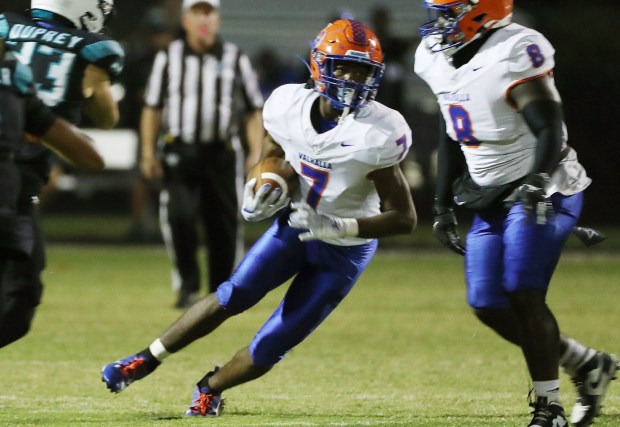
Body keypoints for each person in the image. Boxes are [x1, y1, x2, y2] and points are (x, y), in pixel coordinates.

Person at [102, 18, 416, 417]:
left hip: (345, 251)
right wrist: (261, 184)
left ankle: (210, 387)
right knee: (232, 294)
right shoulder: (286, 105)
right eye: (344, 67)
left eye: (362, 70)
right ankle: (143, 359)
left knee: (275, 341)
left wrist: (341, 226)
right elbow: (272, 152)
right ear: (320, 66)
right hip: (296, 227)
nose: (353, 79)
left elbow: (404, 218)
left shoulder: (379, 132)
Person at [413, 1, 618, 426]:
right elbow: (453, 128)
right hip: (489, 195)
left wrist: (537, 179)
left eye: (449, 13)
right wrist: (440, 204)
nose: (439, 23)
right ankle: (587, 364)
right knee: (487, 302)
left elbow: (548, 124)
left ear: (480, 11)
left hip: (545, 187)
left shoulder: (514, 50)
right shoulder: (435, 56)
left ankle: (550, 409)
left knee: (523, 291)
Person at [0, 0, 123, 348]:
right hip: (15, 189)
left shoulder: (8, 35)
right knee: (17, 304)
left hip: (19, 184)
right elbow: (104, 125)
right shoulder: (89, 54)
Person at [140, 0, 265, 309]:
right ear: (185, 20)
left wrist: (255, 152)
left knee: (223, 224)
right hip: (179, 150)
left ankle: (221, 291)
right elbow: (152, 107)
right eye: (196, 11)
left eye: (208, 11)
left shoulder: (235, 57)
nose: (203, 18)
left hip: (222, 152)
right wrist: (147, 151)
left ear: (218, 18)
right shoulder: (169, 57)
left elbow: (253, 110)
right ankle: (187, 285)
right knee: (179, 217)